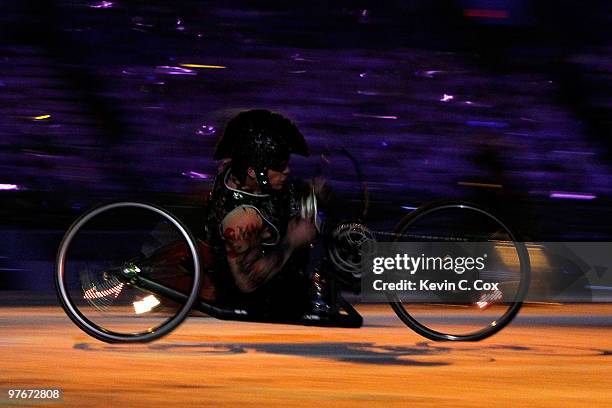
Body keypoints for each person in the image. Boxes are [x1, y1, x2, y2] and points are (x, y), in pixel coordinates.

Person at [202, 109, 319, 317]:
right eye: (280, 167)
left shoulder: (236, 169)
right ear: (253, 172)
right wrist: (292, 241)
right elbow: (247, 283)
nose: (287, 171)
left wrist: (307, 190)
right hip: (260, 296)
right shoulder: (242, 218)